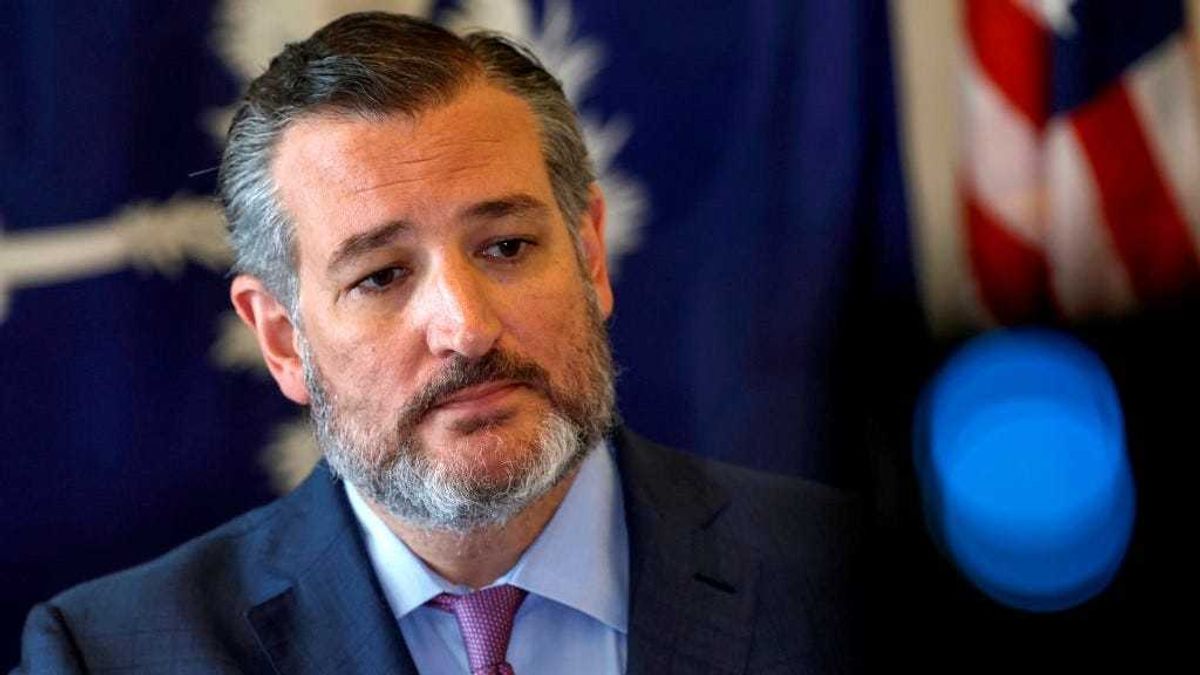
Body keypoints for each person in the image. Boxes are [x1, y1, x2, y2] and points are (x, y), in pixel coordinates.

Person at [15, 12, 862, 674]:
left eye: (507, 247)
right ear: (281, 338)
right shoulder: (107, 656)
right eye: (381, 275)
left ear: (591, 256)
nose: (467, 327)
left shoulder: (856, 581)